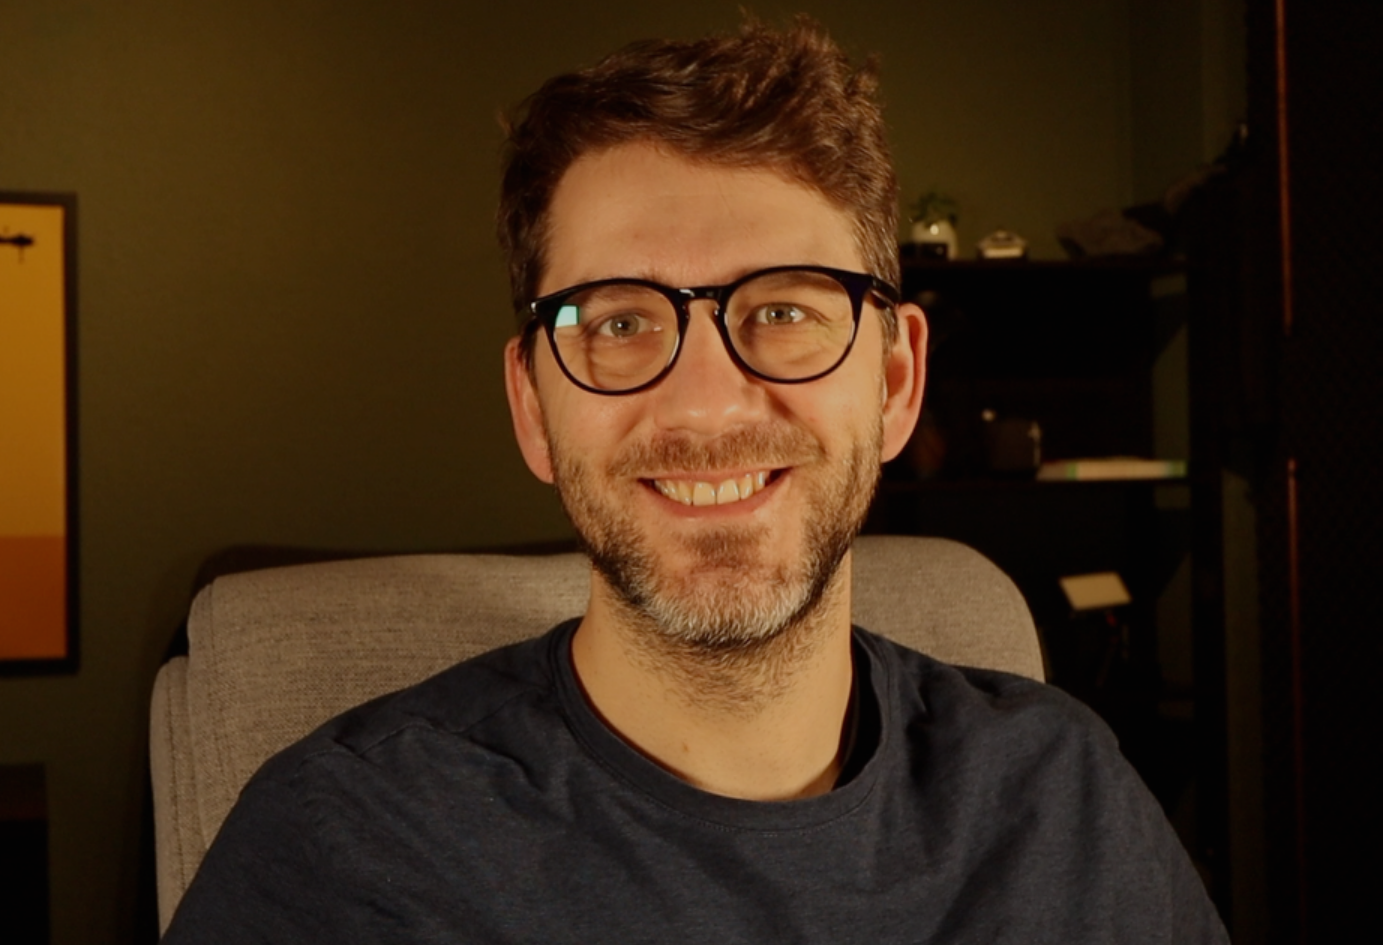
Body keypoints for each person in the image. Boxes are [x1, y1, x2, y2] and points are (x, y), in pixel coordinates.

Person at [168, 16, 1227, 942]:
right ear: (533, 407)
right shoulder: (345, 851)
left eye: (785, 309)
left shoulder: (1069, 801)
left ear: (898, 382)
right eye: (621, 322)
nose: (708, 405)